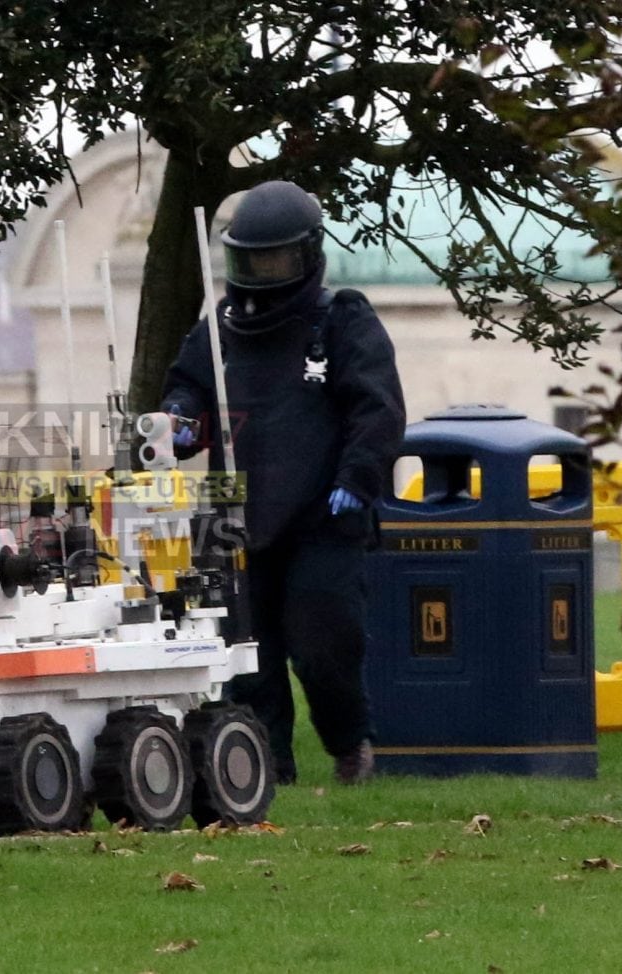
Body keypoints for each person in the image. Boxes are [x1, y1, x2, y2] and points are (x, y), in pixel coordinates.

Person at [160, 180, 406, 785]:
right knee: (248, 660)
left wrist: (359, 478)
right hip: (235, 521)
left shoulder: (341, 320)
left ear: (307, 254)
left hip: (322, 519)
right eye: (251, 261)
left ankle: (352, 749)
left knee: (325, 649)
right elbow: (186, 388)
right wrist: (178, 421)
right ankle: (267, 769)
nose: (263, 274)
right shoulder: (216, 328)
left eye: (275, 260)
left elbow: (378, 410)